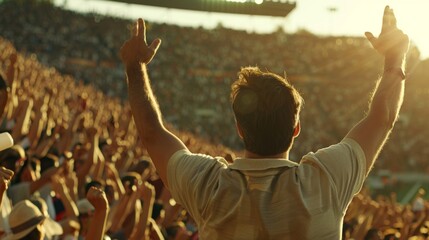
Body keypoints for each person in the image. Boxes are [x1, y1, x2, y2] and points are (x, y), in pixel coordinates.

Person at [120, 5, 409, 239]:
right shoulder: (325, 181)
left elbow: (152, 134)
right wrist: (395, 57)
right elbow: (382, 117)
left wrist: (135, 68)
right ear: (296, 129)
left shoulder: (209, 185)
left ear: (239, 129)